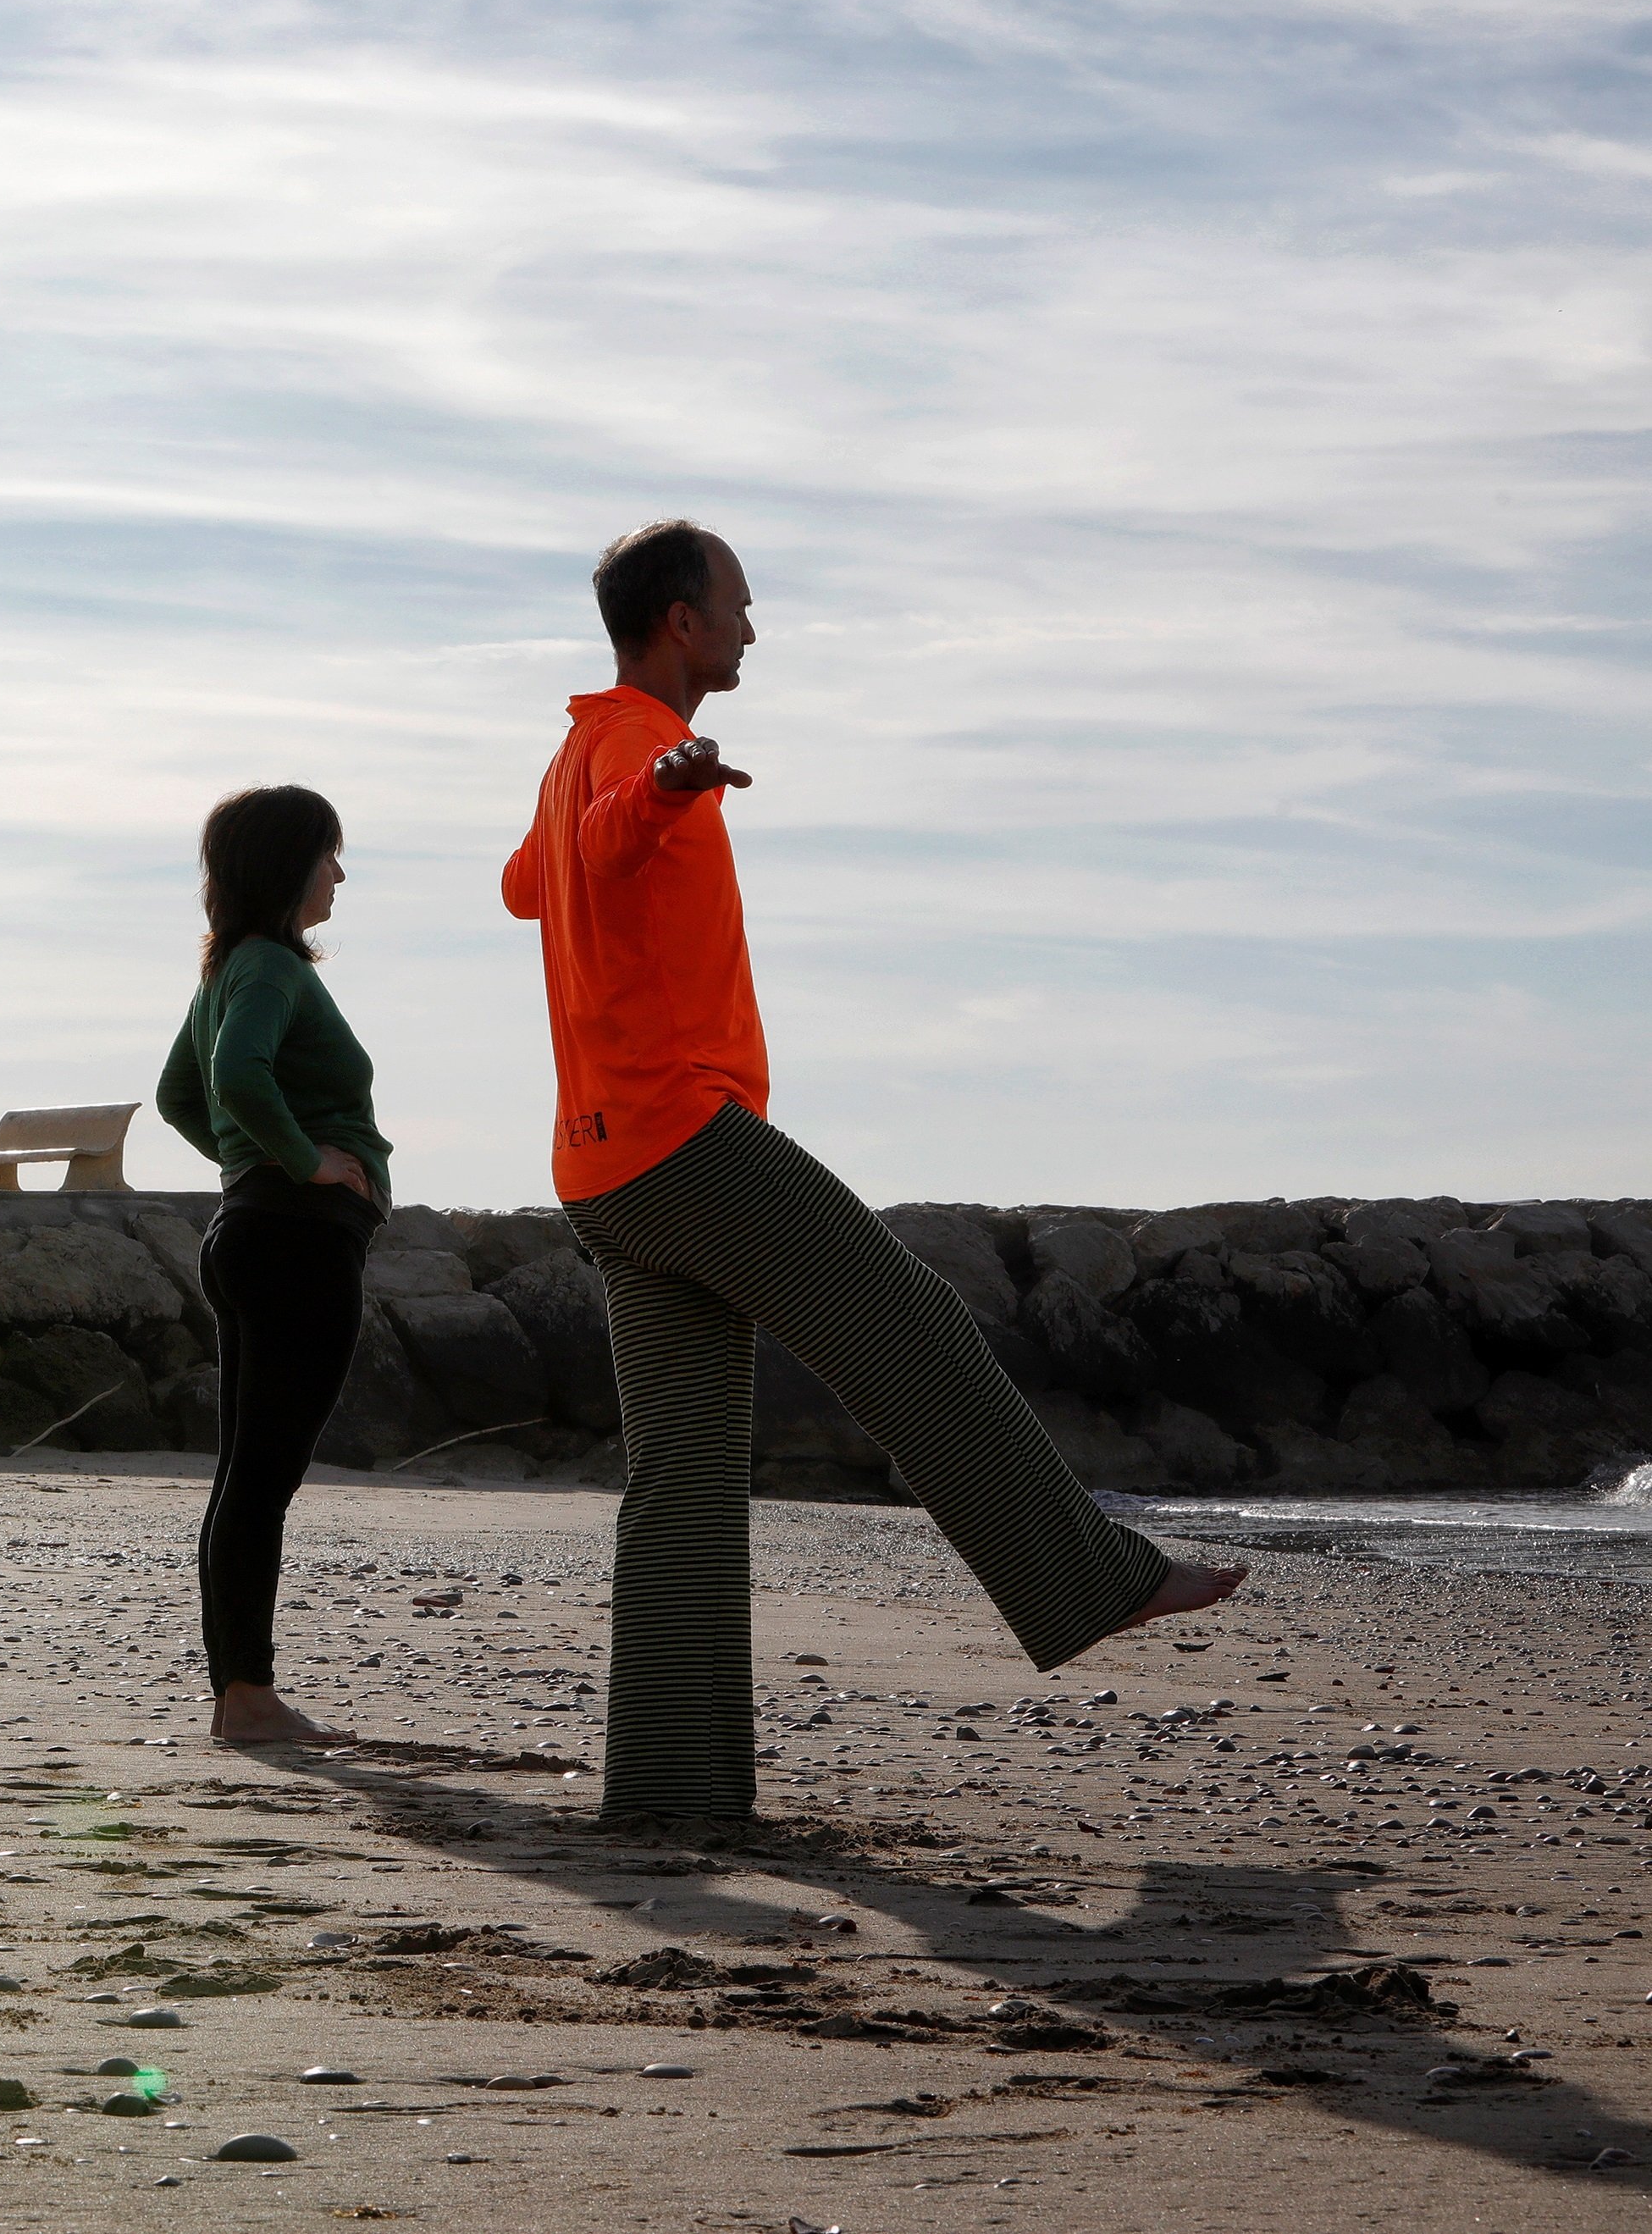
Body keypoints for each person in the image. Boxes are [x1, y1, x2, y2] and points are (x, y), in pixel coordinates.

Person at [501, 520, 1242, 1822]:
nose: (752, 625)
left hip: (600, 1168)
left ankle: (675, 1792)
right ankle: (1088, 1577)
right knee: (910, 1320)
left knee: (679, 1477)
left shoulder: (574, 752)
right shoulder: (621, 749)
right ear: (680, 618)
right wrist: (668, 783)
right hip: (683, 1142)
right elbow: (613, 832)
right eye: (738, 603)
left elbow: (528, 884)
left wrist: (615, 812)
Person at [155, 786, 393, 1747]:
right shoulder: (269, 969)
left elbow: (180, 1094)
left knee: (243, 1478)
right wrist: (303, 1162)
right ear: (288, 865)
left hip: (250, 1233)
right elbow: (230, 1080)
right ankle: (246, 1700)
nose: (339, 873)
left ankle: (238, 1695)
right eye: (328, 855)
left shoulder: (233, 969)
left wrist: (247, 1164)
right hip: (294, 1239)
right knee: (261, 1480)